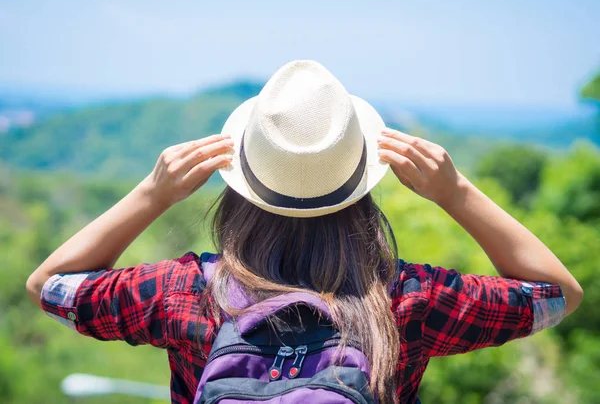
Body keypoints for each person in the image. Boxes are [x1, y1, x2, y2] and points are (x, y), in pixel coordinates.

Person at [27, 60, 583, 404]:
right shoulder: (405, 303)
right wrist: (455, 192)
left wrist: (153, 193)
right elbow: (557, 295)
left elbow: (50, 286)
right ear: (360, 191)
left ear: (240, 188)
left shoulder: (188, 295)